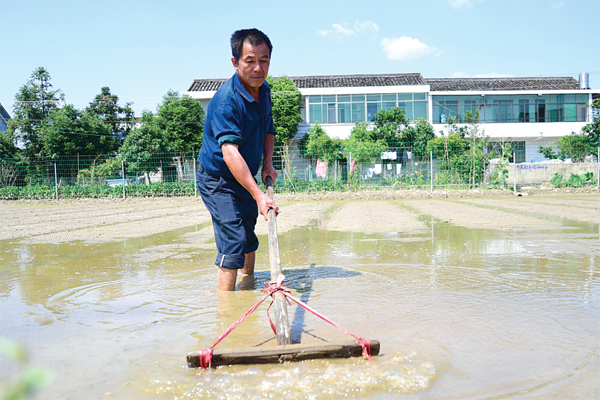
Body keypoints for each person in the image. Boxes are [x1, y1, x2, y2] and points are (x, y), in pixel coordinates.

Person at [196, 28, 280, 291]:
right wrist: (258, 195)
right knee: (233, 239)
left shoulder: (263, 90)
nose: (258, 68)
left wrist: (267, 163)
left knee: (247, 235)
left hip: (244, 175)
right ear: (235, 62)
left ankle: (248, 287)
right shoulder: (226, 102)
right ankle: (228, 311)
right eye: (250, 60)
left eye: (264, 60)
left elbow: (268, 128)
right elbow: (230, 153)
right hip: (218, 179)